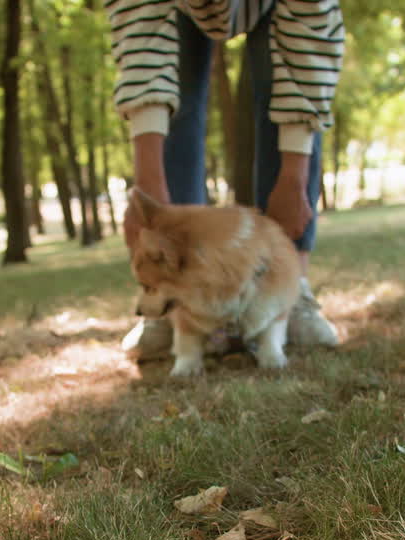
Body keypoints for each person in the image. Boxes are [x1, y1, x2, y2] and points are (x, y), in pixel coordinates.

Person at [107, 0, 344, 360]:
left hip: (280, 8)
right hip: (170, 8)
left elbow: (310, 45)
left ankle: (288, 294)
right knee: (176, 98)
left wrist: (294, 177)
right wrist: (147, 185)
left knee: (280, 86)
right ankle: (177, 307)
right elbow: (141, 41)